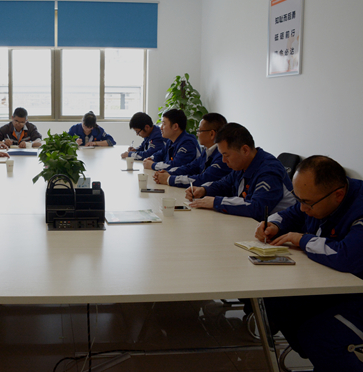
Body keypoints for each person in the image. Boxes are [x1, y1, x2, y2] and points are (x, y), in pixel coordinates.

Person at [255, 156, 363, 371]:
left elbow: (345, 255)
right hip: (342, 287)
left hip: (356, 293)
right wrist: (273, 224)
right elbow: (291, 214)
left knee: (318, 336)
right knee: (277, 299)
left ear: (338, 195)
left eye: (307, 202)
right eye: (299, 199)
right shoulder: (318, 198)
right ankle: (321, 359)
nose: (303, 207)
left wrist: (301, 239)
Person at [186, 122, 296, 221]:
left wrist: (216, 202)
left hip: (281, 231)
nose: (223, 160)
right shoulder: (243, 165)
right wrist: (204, 190)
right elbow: (225, 184)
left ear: (245, 150)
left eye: (226, 155)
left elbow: (257, 209)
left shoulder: (269, 170)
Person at [154, 112, 231, 187]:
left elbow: (204, 179)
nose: (197, 134)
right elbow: (191, 167)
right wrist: (169, 173)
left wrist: (169, 179)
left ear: (212, 134)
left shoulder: (222, 156)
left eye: (199, 130)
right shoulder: (208, 151)